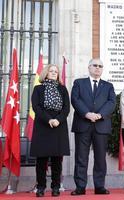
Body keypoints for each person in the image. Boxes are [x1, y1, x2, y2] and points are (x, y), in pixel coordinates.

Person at [70, 58, 116, 195]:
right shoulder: (79, 83)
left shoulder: (108, 86)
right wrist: (86, 113)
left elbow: (112, 102)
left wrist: (100, 115)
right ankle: (80, 187)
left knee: (100, 158)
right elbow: (75, 99)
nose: (97, 68)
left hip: (101, 125)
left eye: (100, 66)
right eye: (95, 65)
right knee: (81, 157)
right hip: (83, 124)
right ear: (89, 67)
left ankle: (99, 186)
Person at [30, 64, 70, 197]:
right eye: (51, 71)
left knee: (57, 160)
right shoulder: (38, 89)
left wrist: (58, 119)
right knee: (41, 159)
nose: (54, 73)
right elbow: (36, 107)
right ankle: (41, 187)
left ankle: (55, 187)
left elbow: (66, 108)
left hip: (59, 125)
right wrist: (49, 120)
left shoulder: (63, 89)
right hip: (43, 125)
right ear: (46, 73)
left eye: (56, 72)